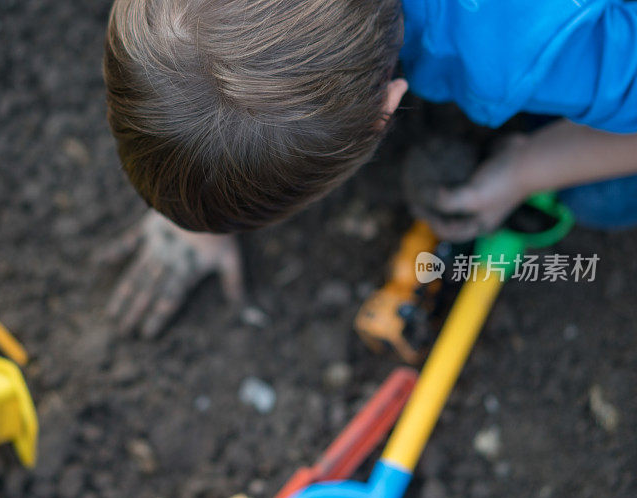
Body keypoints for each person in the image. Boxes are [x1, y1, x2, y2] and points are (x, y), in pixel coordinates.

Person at [100, 0, 637, 338]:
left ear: (389, 109)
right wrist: (195, 179)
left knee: (604, 198)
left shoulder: (565, 50)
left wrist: (528, 168)